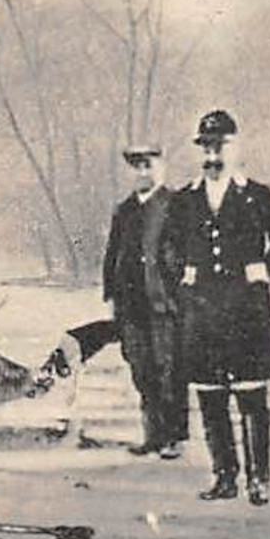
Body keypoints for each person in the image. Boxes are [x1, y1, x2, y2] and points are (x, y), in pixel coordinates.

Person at [168, 110, 270, 506]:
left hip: (247, 312)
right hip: (203, 312)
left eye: (220, 146)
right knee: (210, 399)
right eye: (206, 147)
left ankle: (258, 480)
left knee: (250, 399)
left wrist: (266, 269)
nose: (212, 155)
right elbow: (165, 250)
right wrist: (182, 275)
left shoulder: (256, 195)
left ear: (236, 147)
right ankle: (224, 476)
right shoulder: (184, 199)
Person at [101, 142, 187, 459]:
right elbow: (112, 255)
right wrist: (110, 294)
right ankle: (153, 435)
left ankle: (174, 437)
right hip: (131, 306)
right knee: (141, 369)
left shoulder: (176, 204)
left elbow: (187, 254)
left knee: (169, 369)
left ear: (161, 167)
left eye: (148, 165)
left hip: (165, 304)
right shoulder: (124, 210)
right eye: (137, 167)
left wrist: (183, 295)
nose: (142, 172)